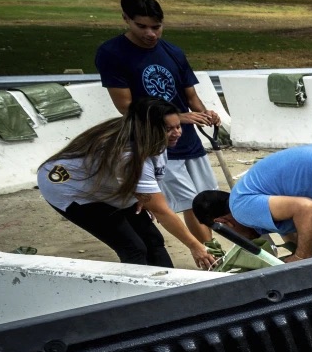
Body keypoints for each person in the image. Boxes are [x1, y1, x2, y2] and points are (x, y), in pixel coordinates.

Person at [95, 0, 221, 246]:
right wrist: (178, 118)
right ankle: (212, 255)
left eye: (156, 27)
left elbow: (191, 95)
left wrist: (206, 113)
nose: (150, 33)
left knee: (206, 199)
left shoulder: (173, 51)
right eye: (141, 26)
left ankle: (213, 250)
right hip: (155, 144)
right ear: (126, 20)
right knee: (189, 202)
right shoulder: (112, 53)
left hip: (188, 140)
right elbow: (126, 107)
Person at [37, 97, 215, 270]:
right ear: (148, 129)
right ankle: (141, 296)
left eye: (178, 126)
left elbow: (152, 186)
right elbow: (162, 210)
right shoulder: (129, 156)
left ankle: (170, 287)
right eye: (169, 129)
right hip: (68, 188)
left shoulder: (156, 140)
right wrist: (195, 246)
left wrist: (143, 196)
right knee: (133, 247)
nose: (177, 133)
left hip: (104, 181)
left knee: (152, 239)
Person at [192, 145, 312, 260]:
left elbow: (304, 208)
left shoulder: (241, 207)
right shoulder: (248, 193)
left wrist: (301, 255)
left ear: (224, 222)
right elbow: (292, 232)